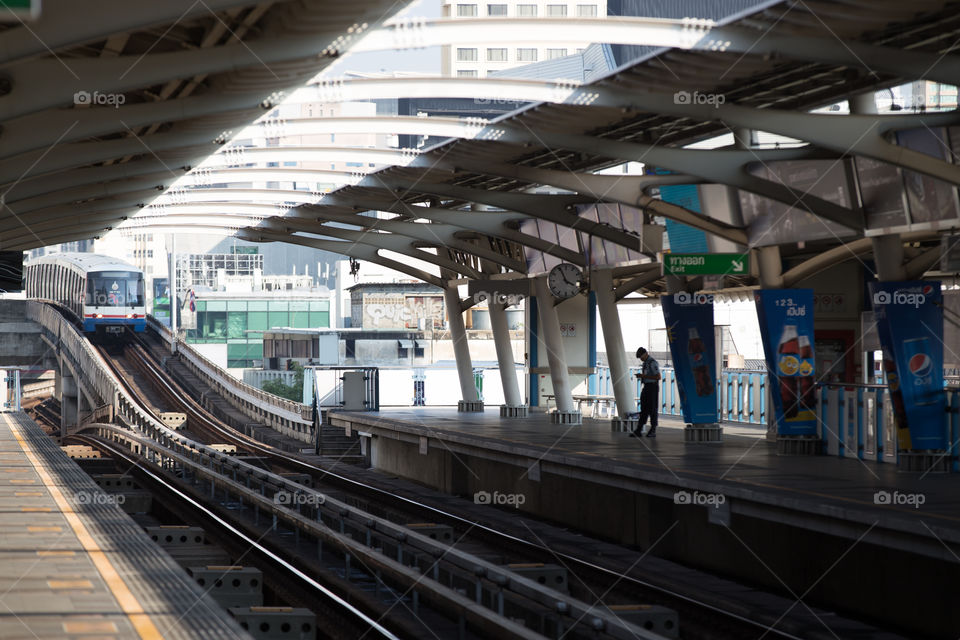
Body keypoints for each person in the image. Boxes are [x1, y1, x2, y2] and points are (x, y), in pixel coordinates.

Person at [629, 347, 660, 438]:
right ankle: (639, 429)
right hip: (646, 387)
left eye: (641, 356)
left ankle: (653, 429)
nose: (640, 359)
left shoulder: (652, 363)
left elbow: (658, 377)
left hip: (652, 388)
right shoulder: (645, 363)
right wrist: (642, 376)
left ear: (645, 354)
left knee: (652, 409)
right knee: (644, 408)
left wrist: (643, 376)